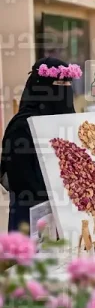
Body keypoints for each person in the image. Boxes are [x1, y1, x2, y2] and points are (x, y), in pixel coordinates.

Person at [1, 57, 78, 232]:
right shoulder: (22, 126)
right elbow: (21, 180)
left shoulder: (67, 123)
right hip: (32, 217)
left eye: (68, 83)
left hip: (66, 214)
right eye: (60, 83)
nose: (66, 89)